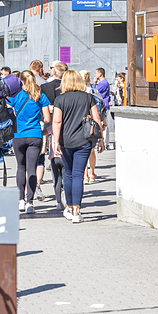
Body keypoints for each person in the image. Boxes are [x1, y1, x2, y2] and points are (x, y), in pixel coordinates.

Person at [52, 70, 105, 223]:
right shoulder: (88, 97)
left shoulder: (60, 99)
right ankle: (77, 211)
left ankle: (68, 208)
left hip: (65, 141)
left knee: (67, 174)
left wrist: (55, 141)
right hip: (84, 141)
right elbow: (96, 118)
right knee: (78, 175)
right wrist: (100, 138)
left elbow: (57, 122)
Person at [10, 71, 52, 213]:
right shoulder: (41, 96)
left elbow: (9, 110)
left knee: (20, 167)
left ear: (20, 81)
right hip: (35, 135)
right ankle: (30, 202)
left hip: (18, 135)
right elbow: (47, 119)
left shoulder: (15, 96)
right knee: (31, 168)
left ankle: (20, 200)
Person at [41, 61, 67, 209]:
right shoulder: (68, 88)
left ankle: (58, 196)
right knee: (66, 162)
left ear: (53, 72)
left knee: (54, 158)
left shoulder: (45, 87)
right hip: (68, 126)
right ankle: (64, 192)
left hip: (49, 124)